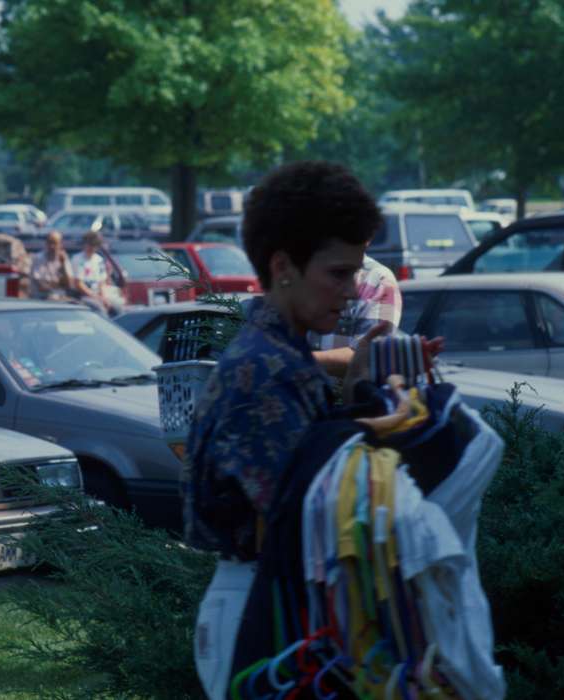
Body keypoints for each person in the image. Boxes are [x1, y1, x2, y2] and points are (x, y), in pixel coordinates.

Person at [184, 161, 387, 698]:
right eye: (338, 274)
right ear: (283, 266)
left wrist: (361, 387)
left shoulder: (279, 357)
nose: (351, 291)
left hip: (269, 597)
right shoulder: (266, 373)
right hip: (263, 608)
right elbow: (307, 517)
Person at [309, 251, 403, 378]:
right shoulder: (301, 268)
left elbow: (371, 356)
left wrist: (298, 361)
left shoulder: (377, 278)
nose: (351, 293)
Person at [70, 230, 124, 316]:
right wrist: (97, 297)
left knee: (118, 306)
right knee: (100, 309)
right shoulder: (77, 259)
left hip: (98, 293)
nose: (91, 247)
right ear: (84, 244)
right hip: (83, 295)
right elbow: (79, 284)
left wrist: (103, 298)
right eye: (89, 244)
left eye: (94, 245)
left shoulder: (99, 260)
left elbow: (101, 283)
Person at [29, 230, 78, 301]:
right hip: (41, 299)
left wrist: (63, 265)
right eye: (50, 243)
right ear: (46, 243)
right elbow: (42, 286)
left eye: (55, 243)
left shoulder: (63, 258)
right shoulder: (38, 258)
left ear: (60, 244)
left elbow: (69, 284)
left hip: (60, 297)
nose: (52, 246)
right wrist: (59, 284)